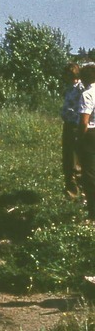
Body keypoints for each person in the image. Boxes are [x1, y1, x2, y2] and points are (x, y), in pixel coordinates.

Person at [61, 63, 85, 198]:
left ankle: (79, 191)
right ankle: (70, 190)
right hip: (68, 125)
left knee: (76, 159)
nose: (65, 76)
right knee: (68, 158)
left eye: (67, 74)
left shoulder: (81, 88)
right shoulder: (69, 88)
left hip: (76, 126)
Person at [77, 63, 95, 221]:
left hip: (91, 134)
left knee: (89, 174)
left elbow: (84, 121)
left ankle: (92, 212)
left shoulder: (87, 94)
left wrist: (79, 138)